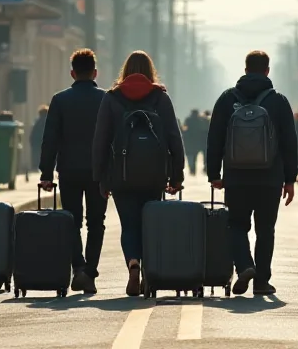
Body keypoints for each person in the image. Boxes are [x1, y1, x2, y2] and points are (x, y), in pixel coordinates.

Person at [92, 50, 185, 296]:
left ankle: (133, 262)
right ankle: (148, 273)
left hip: (121, 175)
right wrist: (177, 175)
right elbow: (174, 138)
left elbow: (100, 141)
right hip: (154, 175)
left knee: (129, 224)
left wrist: (101, 177)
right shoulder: (160, 98)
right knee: (149, 224)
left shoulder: (112, 98)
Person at [206, 50, 298, 296]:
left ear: (245, 70)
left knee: (236, 225)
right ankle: (261, 282)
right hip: (270, 178)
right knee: (265, 229)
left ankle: (245, 265)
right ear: (267, 71)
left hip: (236, 177)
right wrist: (290, 179)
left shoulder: (227, 99)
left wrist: (214, 173)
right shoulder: (278, 102)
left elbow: (214, 137)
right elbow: (290, 143)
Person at [39, 49, 107, 294]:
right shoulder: (106, 99)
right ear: (95, 73)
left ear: (72, 73)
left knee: (71, 220)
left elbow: (50, 139)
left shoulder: (60, 100)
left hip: (69, 170)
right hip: (98, 172)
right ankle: (90, 271)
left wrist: (46, 173)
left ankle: (78, 267)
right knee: (96, 222)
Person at [183, 109, 205, 176]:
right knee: (195, 156)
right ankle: (193, 169)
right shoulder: (200, 120)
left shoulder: (188, 120)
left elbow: (185, 129)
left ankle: (192, 169)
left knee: (190, 156)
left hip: (190, 141)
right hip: (197, 142)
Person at [30, 105, 48, 171]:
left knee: (36, 155)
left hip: (37, 142)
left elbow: (33, 133)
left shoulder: (37, 121)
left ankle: (35, 167)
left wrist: (32, 141)